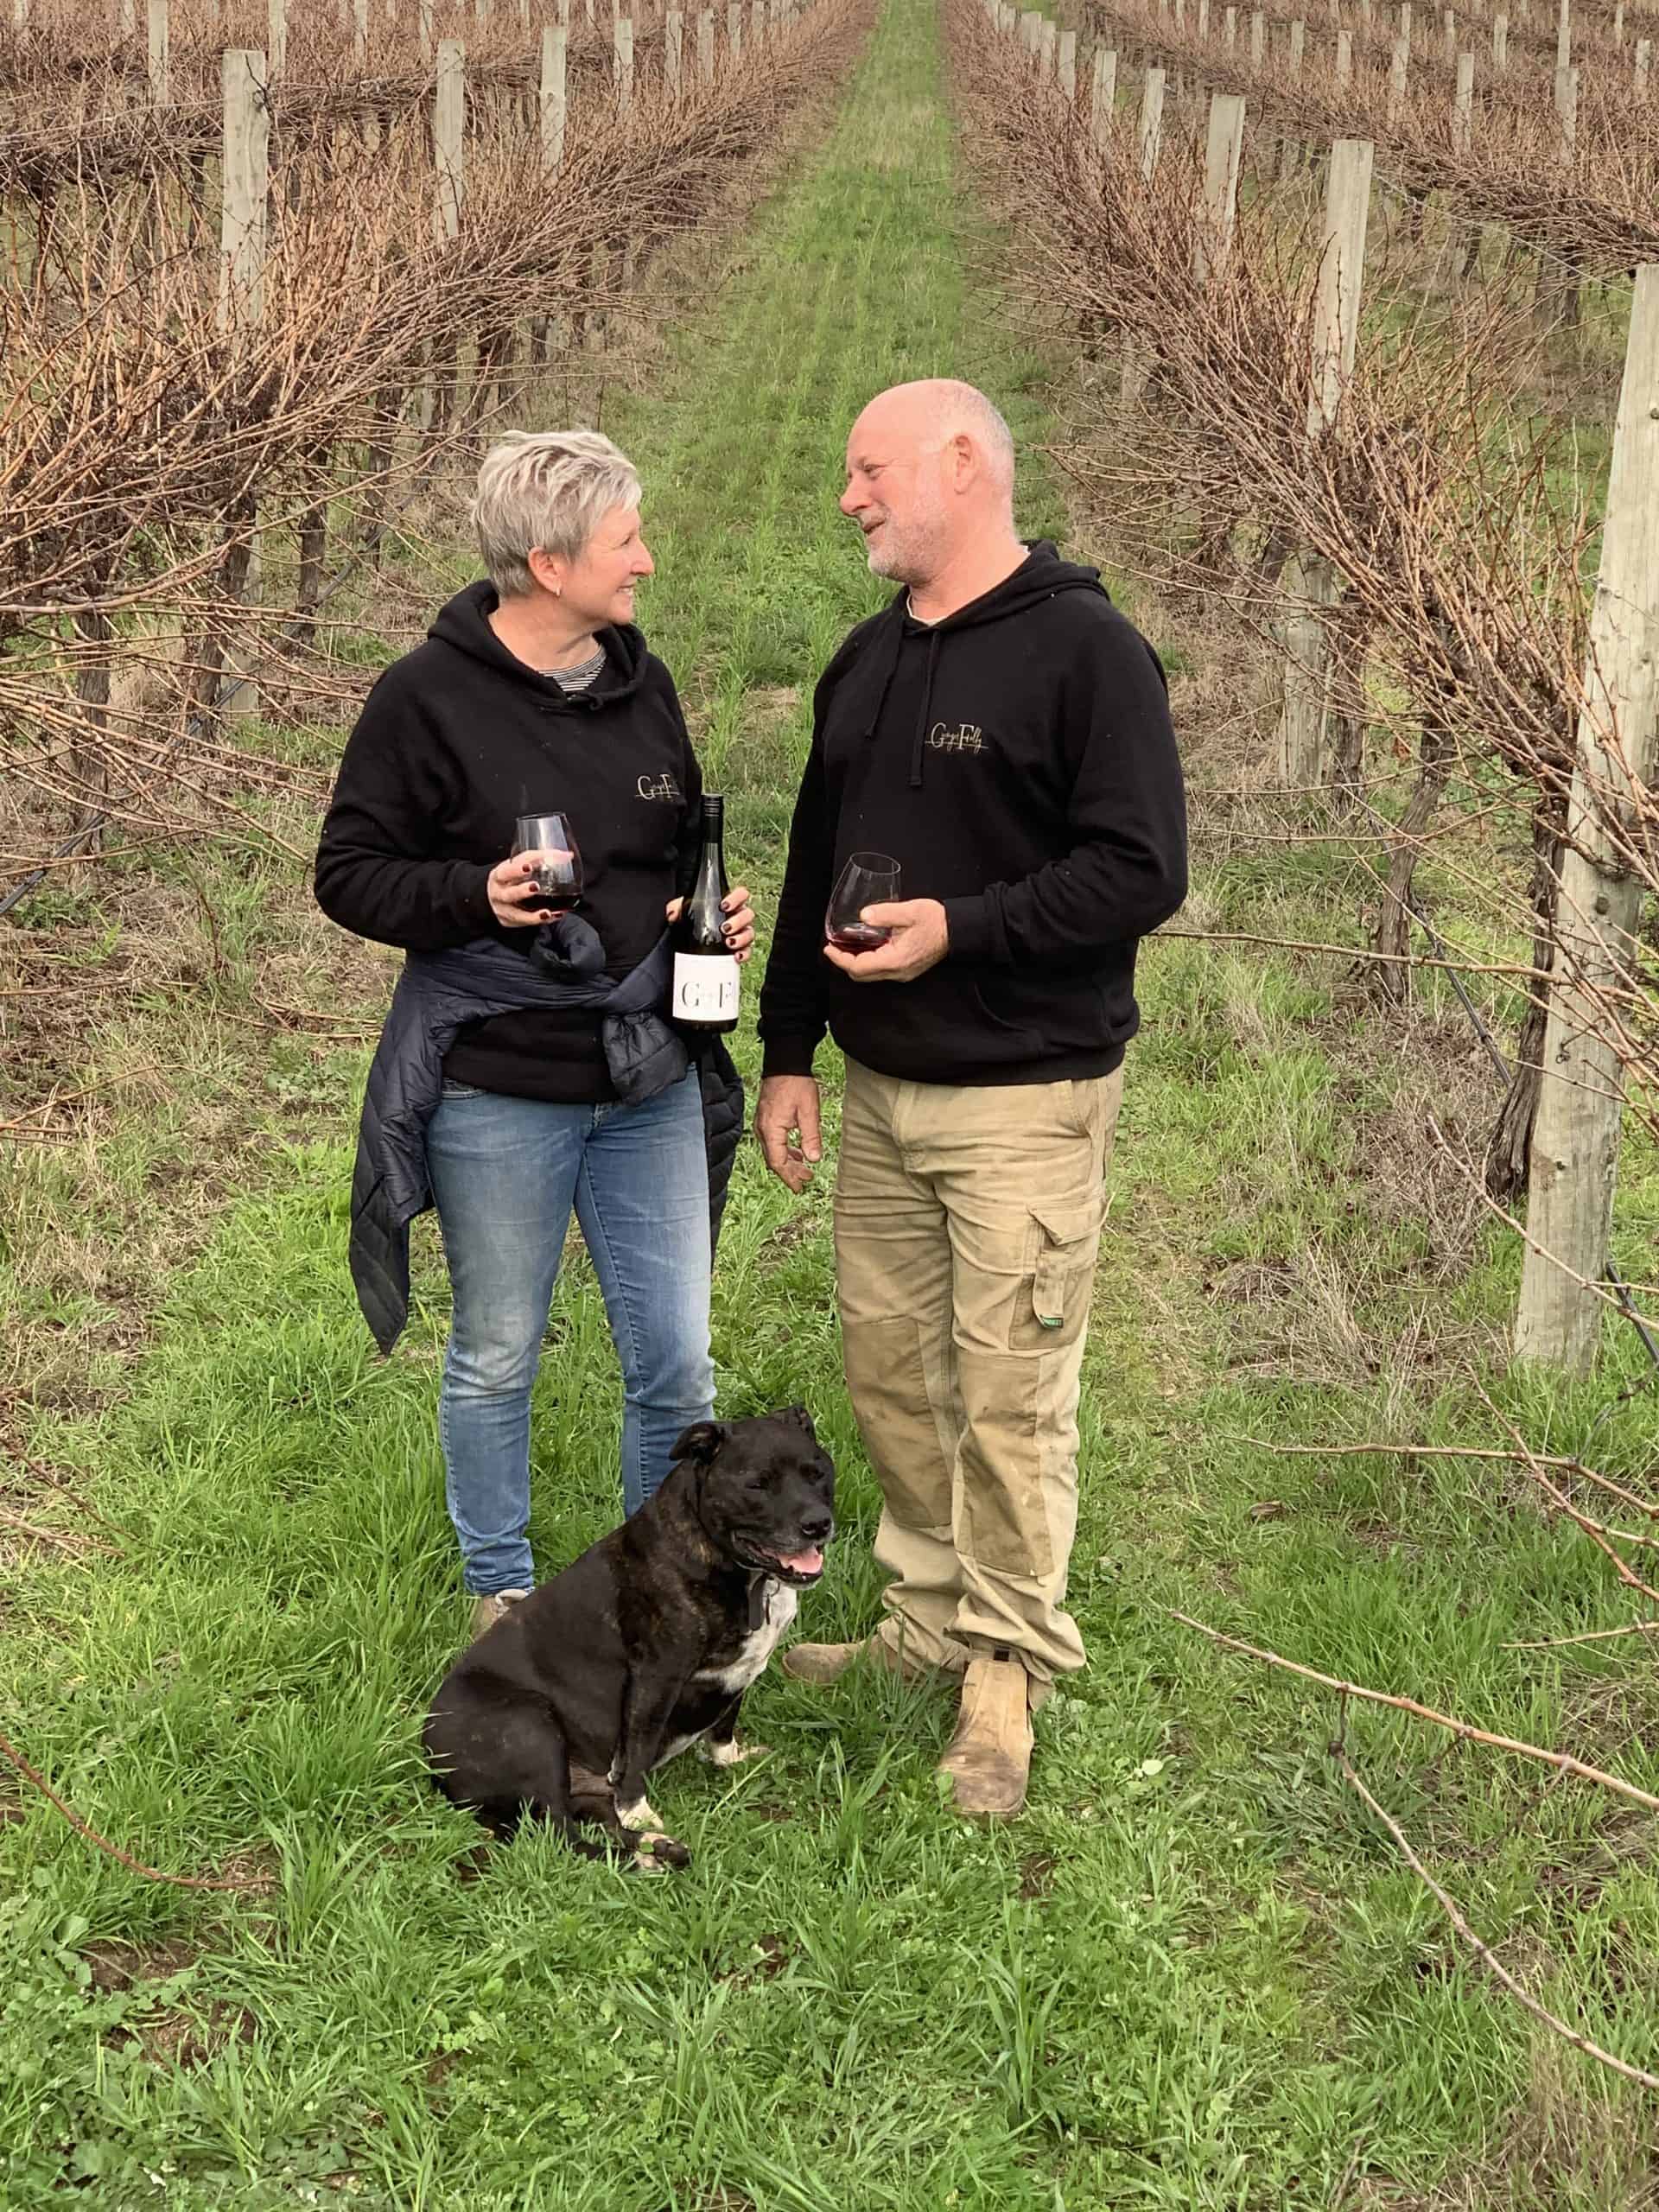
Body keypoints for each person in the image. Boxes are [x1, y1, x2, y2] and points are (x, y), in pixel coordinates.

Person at [754, 379, 1186, 1818]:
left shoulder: (1086, 653)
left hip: (1025, 1095)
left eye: (868, 467)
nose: (849, 496)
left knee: (1010, 1391)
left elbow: (1141, 872)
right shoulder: (865, 659)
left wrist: (968, 927)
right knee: (893, 1375)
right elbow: (815, 861)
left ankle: (1004, 1669)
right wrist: (792, 1052)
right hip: (877, 1092)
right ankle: (923, 1621)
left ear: (961, 465)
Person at [315, 429, 754, 1643]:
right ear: (551, 561)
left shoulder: (639, 680)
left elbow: (673, 844)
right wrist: (474, 896)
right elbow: (348, 875)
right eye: (628, 542)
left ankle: (656, 1592)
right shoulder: (426, 698)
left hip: (649, 1074)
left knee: (674, 1361)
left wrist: (702, 910)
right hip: (501, 1087)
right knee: (500, 1352)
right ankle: (500, 1594)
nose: (649, 563)